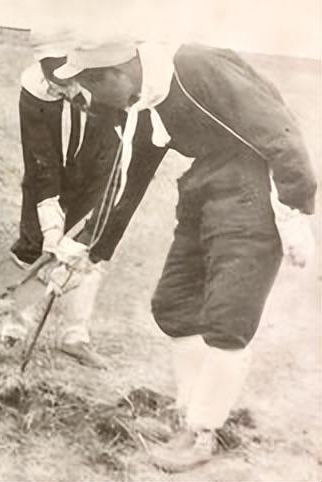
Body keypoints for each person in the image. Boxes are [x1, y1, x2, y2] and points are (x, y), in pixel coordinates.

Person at [52, 37, 317, 472]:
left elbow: (280, 129)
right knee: (173, 304)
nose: (91, 100)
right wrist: (86, 251)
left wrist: (293, 207)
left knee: (227, 320)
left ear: (119, 73)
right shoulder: (142, 103)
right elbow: (127, 184)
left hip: (254, 193)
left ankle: (203, 434)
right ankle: (187, 416)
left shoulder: (194, 68)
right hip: (203, 190)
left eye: (91, 87)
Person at [0, 26, 133, 369]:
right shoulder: (34, 90)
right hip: (52, 169)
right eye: (50, 69)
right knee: (34, 240)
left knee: (89, 249)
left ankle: (75, 337)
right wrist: (51, 224)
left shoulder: (106, 82)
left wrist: (85, 230)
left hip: (97, 168)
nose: (60, 79)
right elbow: (41, 160)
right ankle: (13, 329)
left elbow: (118, 156)